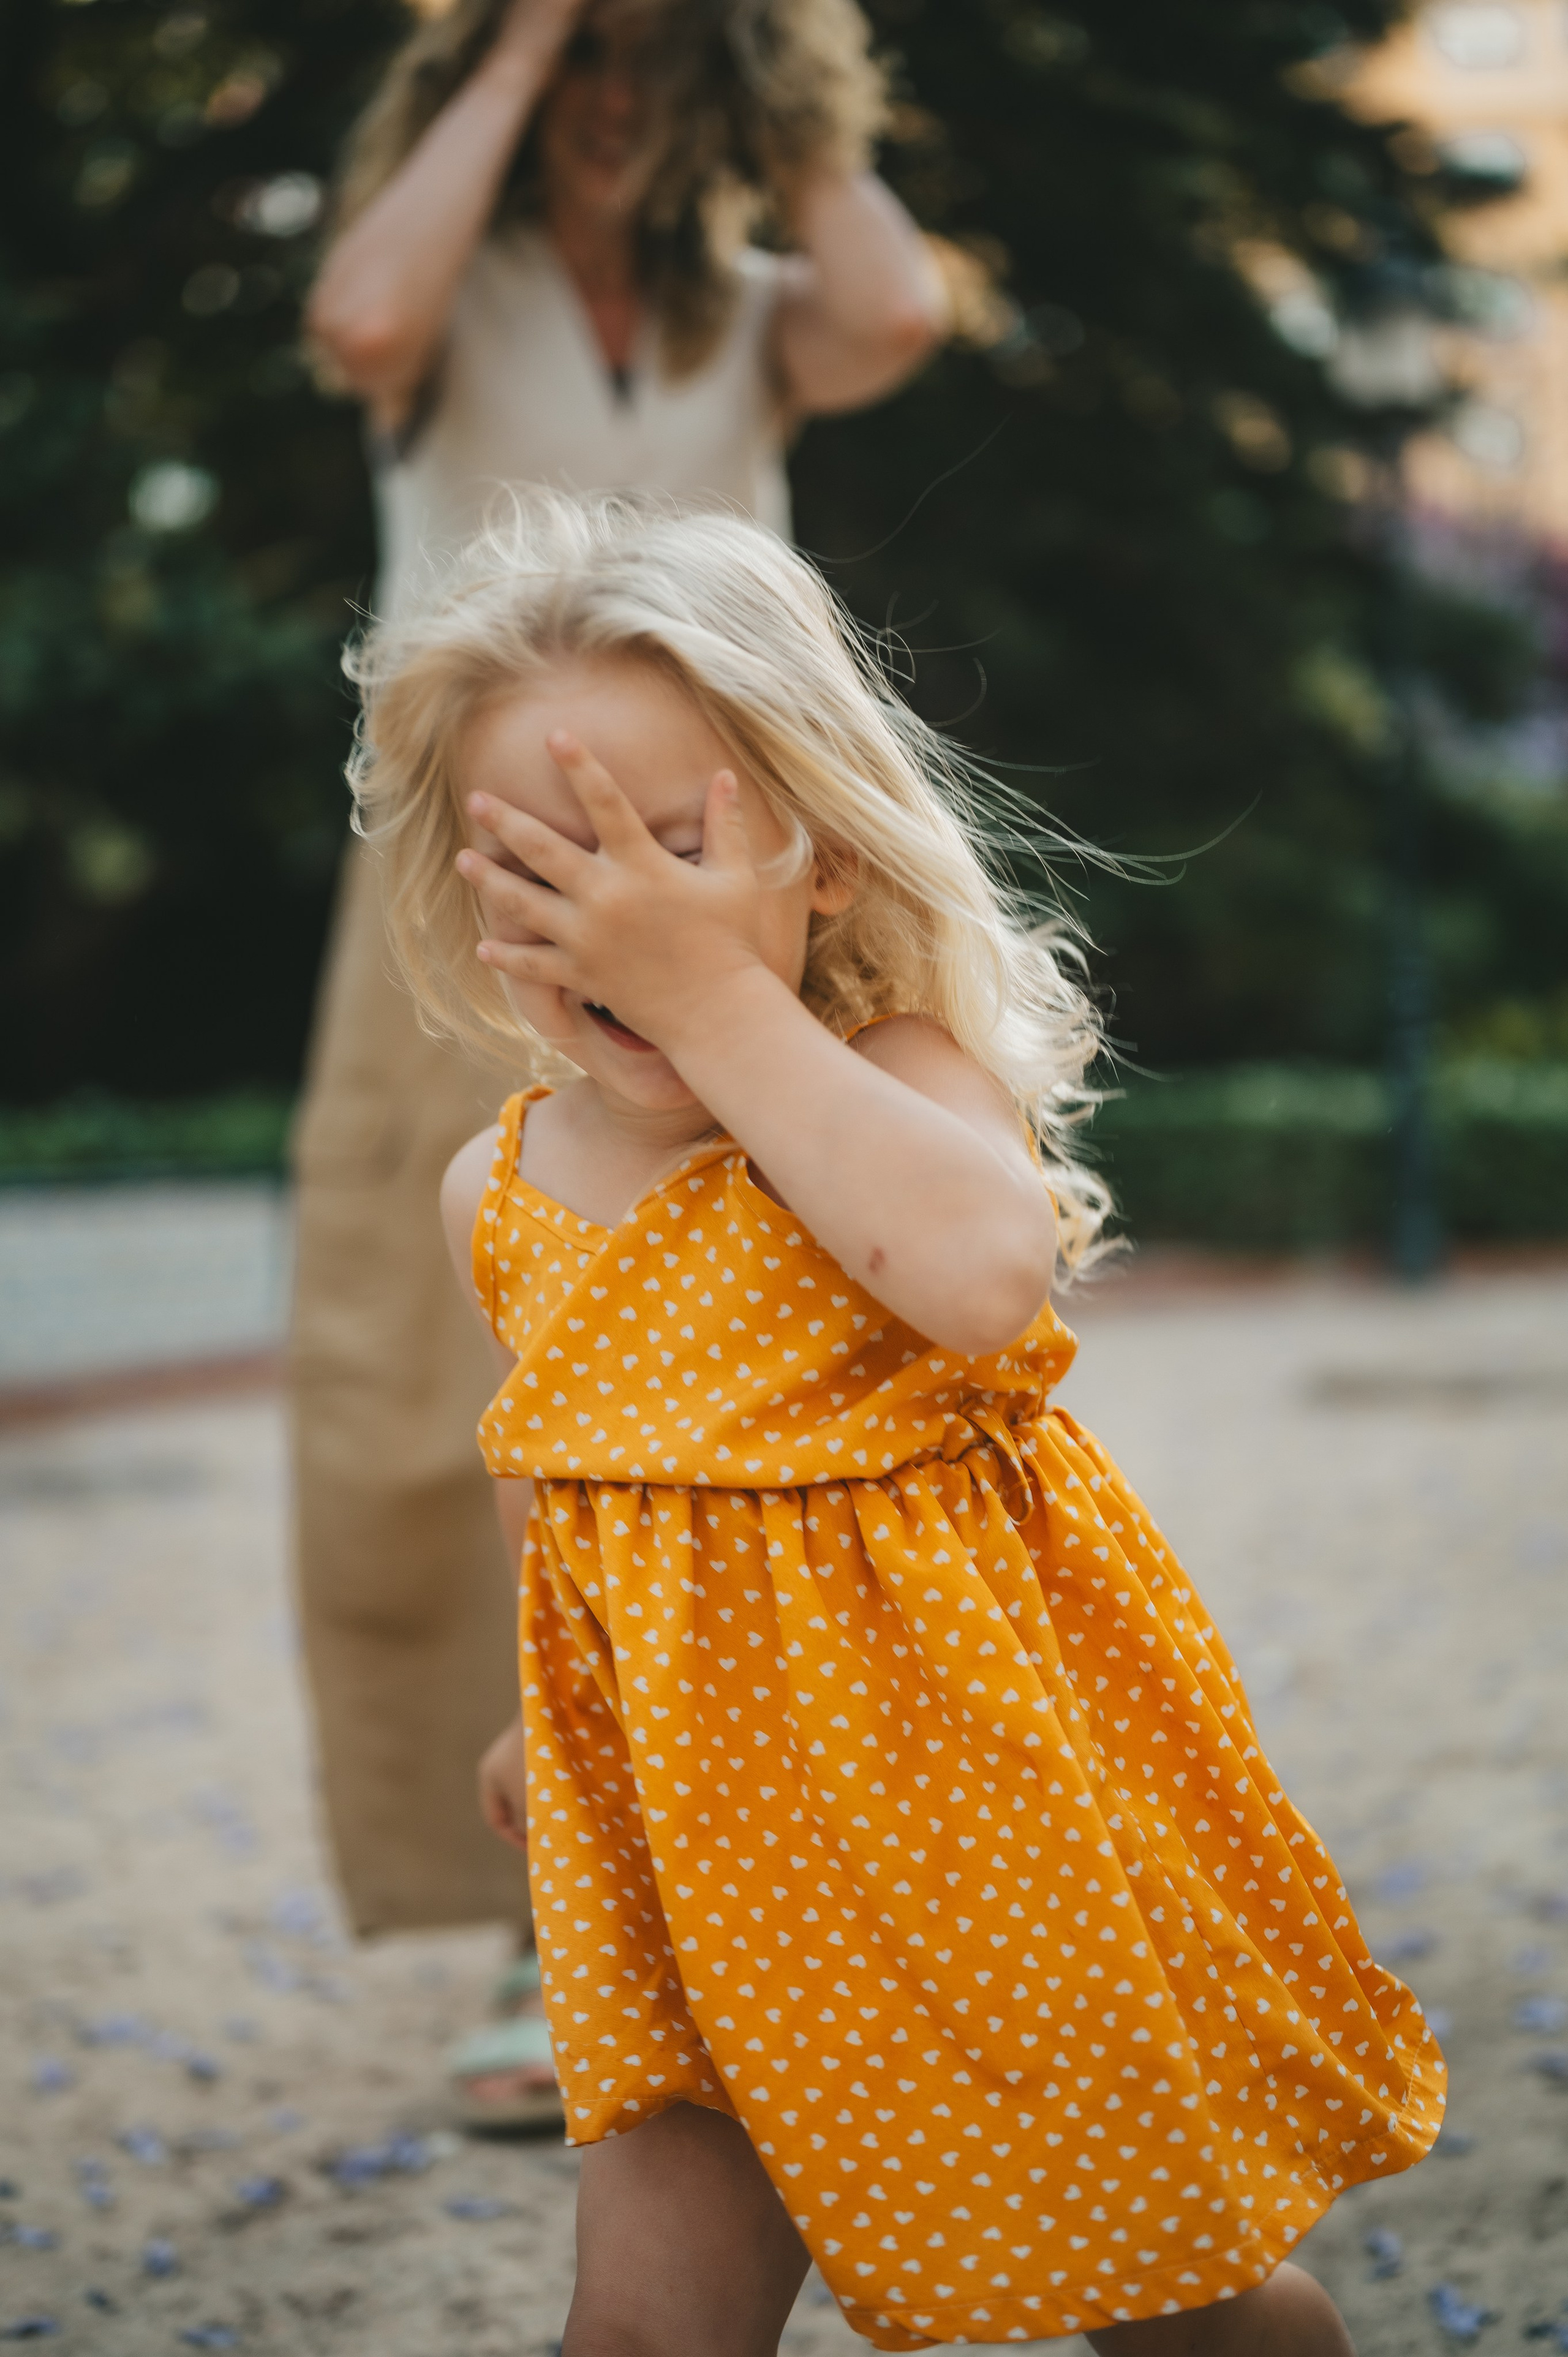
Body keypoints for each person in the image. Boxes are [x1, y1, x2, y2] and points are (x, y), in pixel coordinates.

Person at [343, 485, 1444, 2352]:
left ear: (827, 857)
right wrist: (543, 1724)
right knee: (641, 2332)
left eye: (672, 854)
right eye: (539, 872)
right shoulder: (501, 1186)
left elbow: (978, 1270)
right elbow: (563, 1470)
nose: (617, 921)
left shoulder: (892, 1087)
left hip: (967, 1830)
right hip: (686, 1847)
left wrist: (717, 1001)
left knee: (1168, 2306)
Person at [293, 0, 945, 2125]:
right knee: (471, 1383)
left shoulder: (754, 307)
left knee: (802, 1339)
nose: (613, 90)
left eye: (654, 59)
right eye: (590, 54)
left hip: (742, 880)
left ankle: (816, 1864)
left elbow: (899, 308)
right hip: (465, 893)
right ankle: (540, 1917)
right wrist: (517, 36)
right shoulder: (446, 269)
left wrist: (773, 63)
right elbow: (356, 308)